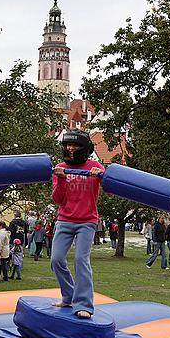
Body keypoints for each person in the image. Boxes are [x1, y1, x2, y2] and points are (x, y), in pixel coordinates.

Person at [50, 130, 104, 319]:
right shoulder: (60, 168)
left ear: (84, 148)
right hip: (65, 219)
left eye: (74, 145)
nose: (70, 149)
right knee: (56, 260)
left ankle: (84, 305)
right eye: (67, 145)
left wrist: (100, 176)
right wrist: (62, 178)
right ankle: (68, 296)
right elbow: (57, 199)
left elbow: (110, 188)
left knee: (81, 260)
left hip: (87, 221)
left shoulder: (95, 166)